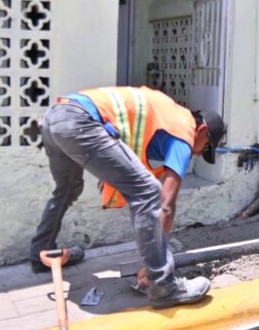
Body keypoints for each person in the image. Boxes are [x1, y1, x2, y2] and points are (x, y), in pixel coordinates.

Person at [29, 86, 226, 309]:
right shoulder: (184, 132)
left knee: (67, 188)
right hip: (80, 121)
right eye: (205, 148)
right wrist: (155, 262)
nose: (198, 153)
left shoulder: (167, 116)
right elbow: (166, 205)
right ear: (202, 131)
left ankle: (42, 253)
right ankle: (163, 285)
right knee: (148, 192)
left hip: (56, 117)